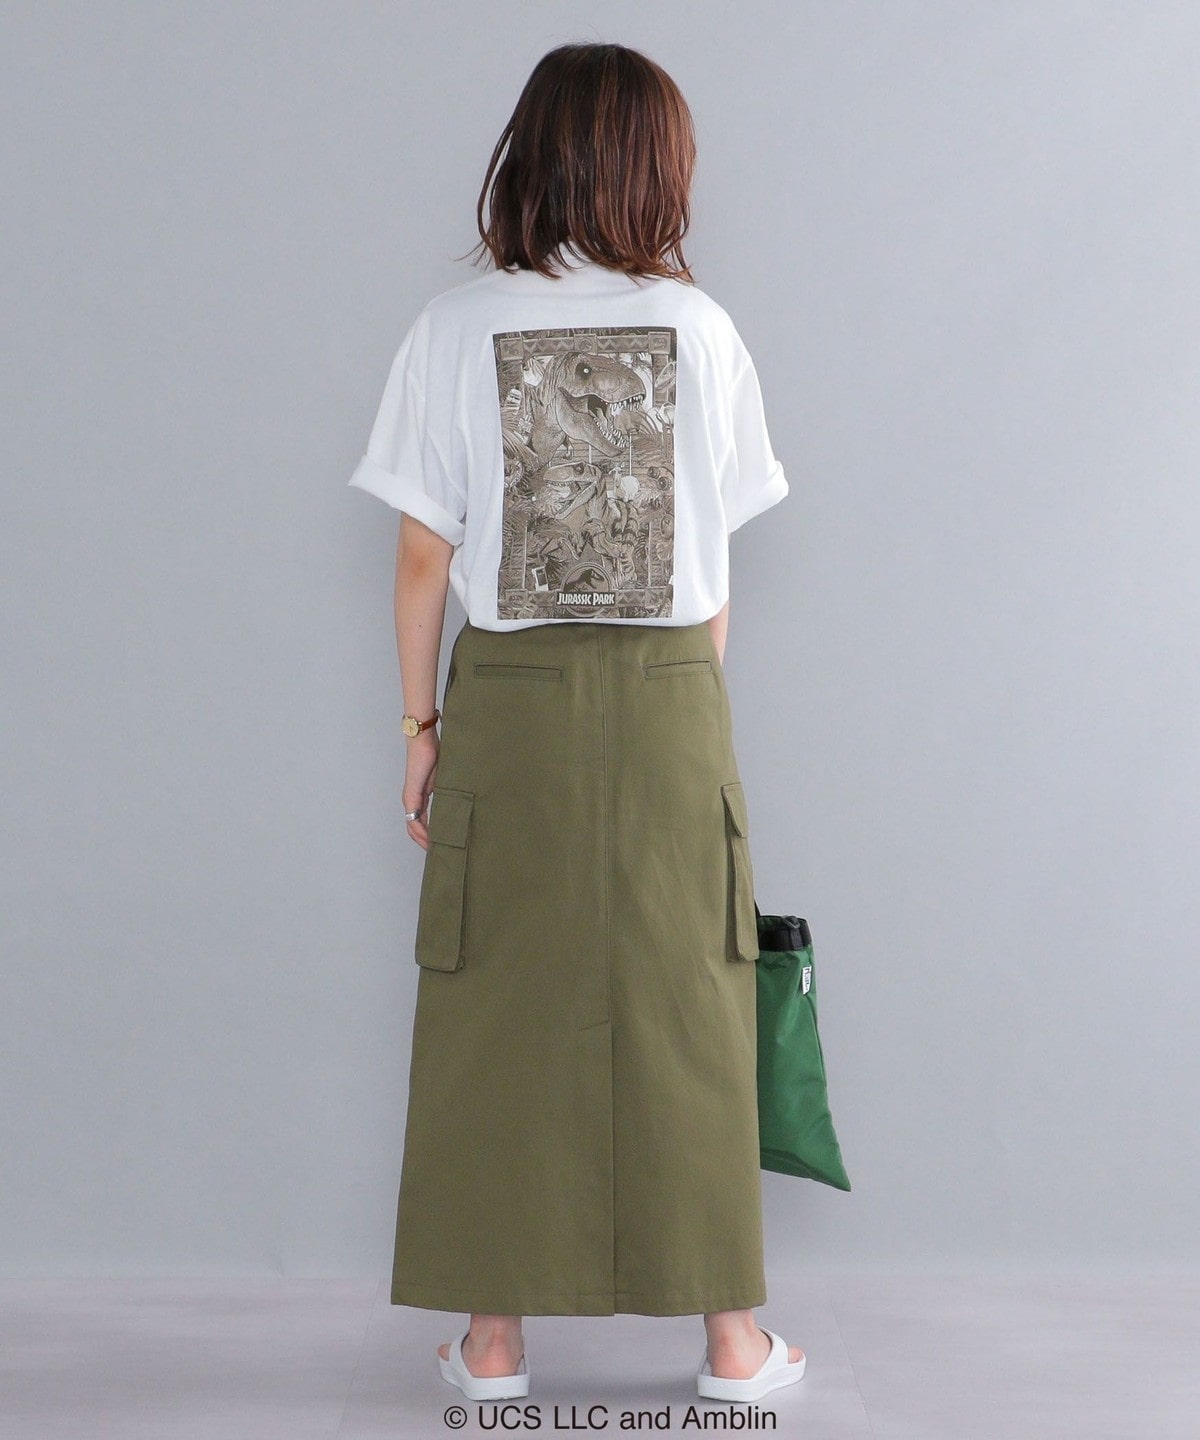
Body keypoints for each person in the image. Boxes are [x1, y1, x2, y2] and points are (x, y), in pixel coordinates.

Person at [348, 41, 805, 1406]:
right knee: (692, 997)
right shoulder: (703, 331)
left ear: (530, 156)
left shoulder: (451, 329)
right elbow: (715, 569)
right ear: (656, 167)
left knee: (500, 998)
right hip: (672, 698)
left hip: (513, 700)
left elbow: (422, 559)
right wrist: (683, 698)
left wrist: (421, 724)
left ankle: (492, 1346)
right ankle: (733, 1346)